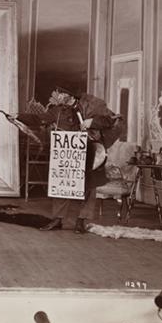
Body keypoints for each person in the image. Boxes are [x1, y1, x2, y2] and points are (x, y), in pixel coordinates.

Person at [39, 91, 123, 234]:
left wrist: (92, 122)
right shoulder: (59, 110)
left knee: (89, 186)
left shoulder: (93, 105)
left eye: (61, 92)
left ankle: (81, 221)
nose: (58, 95)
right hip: (69, 154)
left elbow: (112, 120)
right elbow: (40, 118)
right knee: (62, 183)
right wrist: (18, 117)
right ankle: (57, 219)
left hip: (90, 151)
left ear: (71, 95)